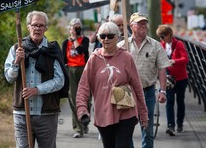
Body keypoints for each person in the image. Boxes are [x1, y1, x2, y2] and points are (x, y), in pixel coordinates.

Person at [76, 22, 148, 148]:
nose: (106, 39)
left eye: (110, 36)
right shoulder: (94, 59)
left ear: (118, 37)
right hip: (103, 113)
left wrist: (143, 113)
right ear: (99, 38)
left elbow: (137, 87)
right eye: (103, 36)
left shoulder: (126, 57)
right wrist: (82, 109)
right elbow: (83, 86)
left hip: (126, 111)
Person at [4, 11, 65, 148]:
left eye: (41, 26)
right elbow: (9, 78)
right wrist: (16, 62)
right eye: (34, 25)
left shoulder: (51, 50)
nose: (37, 28)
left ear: (46, 29)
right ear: (28, 27)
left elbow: (60, 80)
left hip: (46, 114)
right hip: (22, 113)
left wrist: (37, 90)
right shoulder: (17, 49)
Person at [117, 12, 170, 148]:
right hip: (126, 92)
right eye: (139, 23)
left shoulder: (156, 45)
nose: (143, 25)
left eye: (144, 22)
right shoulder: (122, 46)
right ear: (131, 26)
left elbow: (162, 68)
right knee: (125, 129)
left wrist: (162, 91)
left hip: (147, 92)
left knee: (147, 130)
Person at [156, 24, 189, 135]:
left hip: (181, 78)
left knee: (180, 101)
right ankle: (171, 126)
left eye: (163, 36)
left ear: (170, 35)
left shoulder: (179, 44)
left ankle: (179, 124)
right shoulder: (161, 45)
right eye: (160, 37)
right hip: (168, 78)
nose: (161, 39)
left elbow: (185, 59)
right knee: (169, 101)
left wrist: (175, 61)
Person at [62, 18, 90, 138]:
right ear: (70, 29)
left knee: (85, 98)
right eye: (75, 27)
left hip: (83, 69)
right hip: (71, 70)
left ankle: (85, 120)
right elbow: (63, 59)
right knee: (73, 99)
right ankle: (78, 129)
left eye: (79, 27)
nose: (77, 29)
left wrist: (74, 39)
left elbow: (80, 51)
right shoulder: (65, 43)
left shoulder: (85, 40)